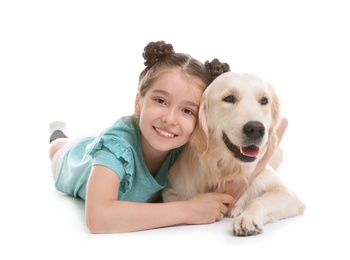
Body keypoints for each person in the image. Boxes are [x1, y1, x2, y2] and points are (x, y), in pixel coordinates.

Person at [48, 40, 288, 234]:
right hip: (74, 159)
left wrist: (242, 180)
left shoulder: (183, 141)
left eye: (187, 110)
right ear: (138, 102)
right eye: (161, 101)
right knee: (59, 149)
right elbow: (98, 218)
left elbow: (281, 123)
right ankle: (58, 136)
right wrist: (187, 211)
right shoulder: (115, 149)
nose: (170, 119)